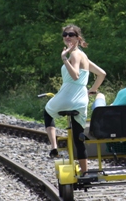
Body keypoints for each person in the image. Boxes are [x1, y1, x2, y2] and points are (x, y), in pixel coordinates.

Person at [44, 24, 106, 174]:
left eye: (70, 34)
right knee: (79, 138)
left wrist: (64, 58)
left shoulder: (74, 55)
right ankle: (85, 173)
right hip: (81, 100)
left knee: (47, 112)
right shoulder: (83, 55)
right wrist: (92, 90)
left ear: (78, 38)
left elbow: (76, 75)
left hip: (68, 95)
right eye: (64, 35)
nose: (67, 37)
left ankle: (54, 147)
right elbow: (102, 74)